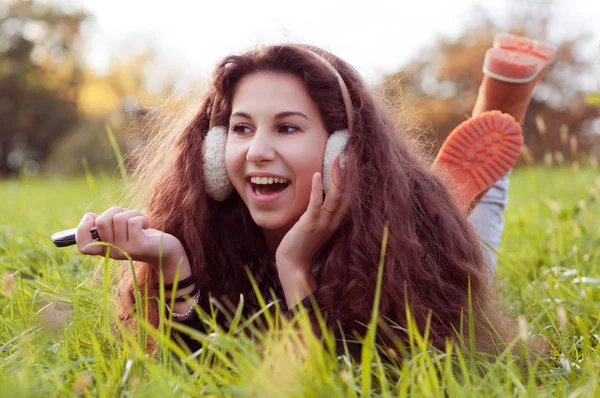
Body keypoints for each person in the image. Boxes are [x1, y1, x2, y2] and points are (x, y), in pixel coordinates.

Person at [74, 35, 554, 357]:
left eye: (287, 127)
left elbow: (342, 379)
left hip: (421, 241)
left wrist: (295, 268)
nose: (257, 151)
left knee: (475, 253)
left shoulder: (408, 251)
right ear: (216, 153)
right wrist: (172, 263)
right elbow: (194, 370)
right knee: (457, 214)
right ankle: (456, 187)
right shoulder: (208, 224)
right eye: (241, 128)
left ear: (340, 151)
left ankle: (485, 140)